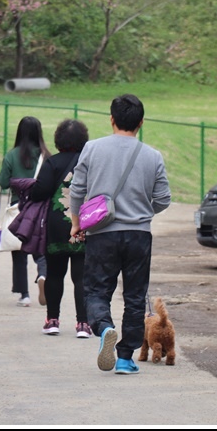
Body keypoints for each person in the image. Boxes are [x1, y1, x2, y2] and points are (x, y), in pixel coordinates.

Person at [68, 94, 171, 374]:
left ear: (111, 119)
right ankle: (125, 358)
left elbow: (76, 190)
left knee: (96, 290)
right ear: (141, 122)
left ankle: (104, 328)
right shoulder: (153, 156)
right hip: (139, 235)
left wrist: (77, 223)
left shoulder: (92, 148)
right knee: (136, 296)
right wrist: (141, 210)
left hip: (101, 233)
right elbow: (163, 199)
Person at [28, 118, 91, 338]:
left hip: (55, 226)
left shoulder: (52, 163)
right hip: (83, 225)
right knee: (81, 276)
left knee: (55, 273)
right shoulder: (88, 162)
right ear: (84, 139)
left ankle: (52, 320)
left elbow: (39, 192)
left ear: (58, 139)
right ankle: (83, 324)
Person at [0, 116, 52, 307]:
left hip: (18, 208)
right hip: (40, 209)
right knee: (41, 248)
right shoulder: (46, 156)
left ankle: (25, 294)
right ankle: (43, 275)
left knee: (18, 251)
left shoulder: (11, 155)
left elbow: (3, 182)